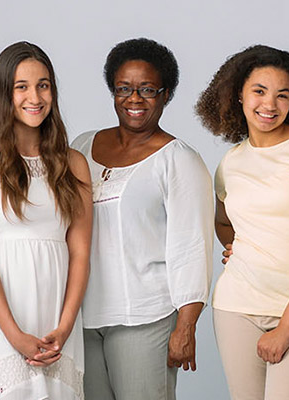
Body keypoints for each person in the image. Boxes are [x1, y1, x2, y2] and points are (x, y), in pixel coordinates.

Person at [196, 44, 289, 400]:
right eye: (259, 92)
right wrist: (240, 247)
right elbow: (223, 222)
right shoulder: (230, 163)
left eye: (283, 95)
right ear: (238, 96)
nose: (270, 104)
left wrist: (287, 327)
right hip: (237, 308)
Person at [71, 38, 212, 400]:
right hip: (83, 318)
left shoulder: (178, 159)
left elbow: (192, 247)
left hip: (145, 318)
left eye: (148, 89)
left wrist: (186, 326)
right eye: (124, 89)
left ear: (166, 94)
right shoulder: (82, 147)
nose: (134, 99)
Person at [0, 41, 92, 399]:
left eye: (43, 85)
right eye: (22, 87)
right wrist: (14, 334)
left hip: (56, 317)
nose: (35, 96)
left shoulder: (73, 163)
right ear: (4, 94)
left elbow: (79, 254)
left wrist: (64, 327)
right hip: (0, 317)